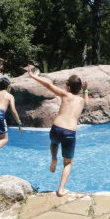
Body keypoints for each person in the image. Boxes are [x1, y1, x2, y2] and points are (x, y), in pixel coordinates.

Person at [27, 65, 89, 197]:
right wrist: (86, 90)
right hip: (69, 133)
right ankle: (61, 190)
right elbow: (87, 101)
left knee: (54, 143)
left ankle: (54, 158)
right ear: (79, 88)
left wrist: (33, 76)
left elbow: (49, 85)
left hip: (56, 128)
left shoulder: (65, 94)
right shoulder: (82, 101)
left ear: (68, 87)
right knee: (68, 163)